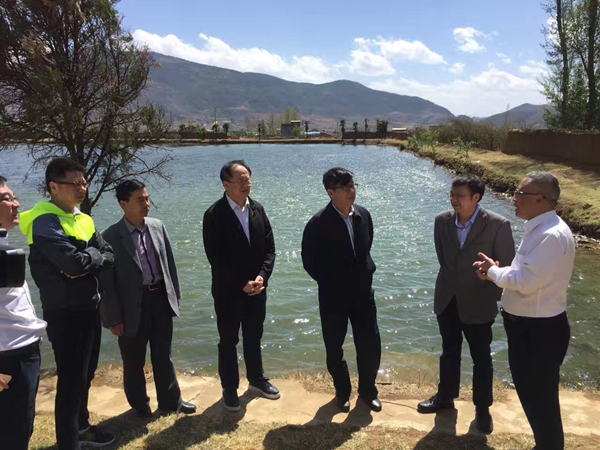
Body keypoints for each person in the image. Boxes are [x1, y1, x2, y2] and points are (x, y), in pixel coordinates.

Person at [474, 172, 574, 450]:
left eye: (519, 193)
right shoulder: (541, 228)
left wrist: (493, 272)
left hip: (538, 331)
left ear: (539, 199)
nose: (513, 198)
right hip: (531, 327)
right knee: (535, 398)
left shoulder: (550, 235)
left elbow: (525, 282)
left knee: (541, 402)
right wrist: (496, 272)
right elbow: (525, 273)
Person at [19, 158, 115, 450]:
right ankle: (69, 443)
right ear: (53, 186)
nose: (82, 188)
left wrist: (87, 260)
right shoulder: (45, 222)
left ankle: (81, 427)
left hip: (89, 307)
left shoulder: (82, 218)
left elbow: (109, 254)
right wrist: (89, 259)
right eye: (74, 183)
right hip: (65, 312)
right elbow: (73, 264)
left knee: (86, 375)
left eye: (84, 182)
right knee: (71, 381)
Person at [417, 174, 515, 434]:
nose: (453, 200)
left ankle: (482, 409)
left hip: (479, 302)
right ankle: (445, 397)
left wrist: (492, 292)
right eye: (452, 194)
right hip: (447, 299)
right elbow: (444, 259)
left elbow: (505, 268)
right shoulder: (441, 221)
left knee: (481, 358)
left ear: (476, 197)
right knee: (449, 351)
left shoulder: (498, 224)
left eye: (459, 196)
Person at [100, 180, 196, 417]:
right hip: (131, 307)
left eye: (147, 198)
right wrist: (113, 319)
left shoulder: (157, 226)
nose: (147, 203)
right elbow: (107, 284)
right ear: (123, 204)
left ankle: (170, 402)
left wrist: (175, 296)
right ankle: (140, 406)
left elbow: (169, 265)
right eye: (140, 200)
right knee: (133, 360)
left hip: (160, 299)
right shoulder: (109, 236)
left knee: (164, 355)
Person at [302, 167, 382, 413]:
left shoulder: (364, 215)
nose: (351, 191)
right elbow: (310, 262)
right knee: (334, 348)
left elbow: (366, 247)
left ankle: (368, 392)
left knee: (370, 345)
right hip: (333, 298)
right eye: (344, 187)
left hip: (363, 295)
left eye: (352, 185)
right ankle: (342, 391)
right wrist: (333, 283)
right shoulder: (317, 223)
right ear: (330, 192)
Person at [203, 160, 279, 412]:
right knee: (228, 340)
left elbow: (269, 248)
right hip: (228, 292)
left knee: (254, 336)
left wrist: (262, 276)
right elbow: (216, 258)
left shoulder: (257, 209)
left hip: (257, 288)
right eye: (240, 180)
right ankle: (229, 388)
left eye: (248, 179)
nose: (246, 184)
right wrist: (240, 283)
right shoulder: (214, 214)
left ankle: (256, 379)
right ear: (226, 184)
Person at [0, 176, 47, 450]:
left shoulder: (5, 247)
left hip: (24, 352)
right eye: (6, 199)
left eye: (14, 197)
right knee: (12, 436)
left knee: (22, 428)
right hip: (8, 360)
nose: (16, 204)